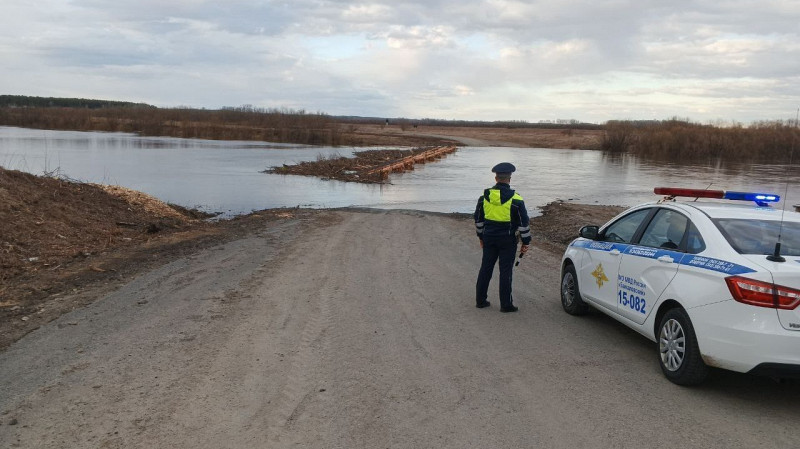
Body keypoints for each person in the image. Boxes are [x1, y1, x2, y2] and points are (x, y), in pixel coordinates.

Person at [474, 162, 531, 312]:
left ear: (496, 178)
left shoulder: (484, 197)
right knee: (506, 271)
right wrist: (526, 242)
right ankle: (506, 305)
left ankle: (480, 301)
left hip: (489, 238)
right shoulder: (516, 199)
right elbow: (523, 224)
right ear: (509, 178)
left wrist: (481, 236)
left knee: (485, 268)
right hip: (508, 241)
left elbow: (478, 220)